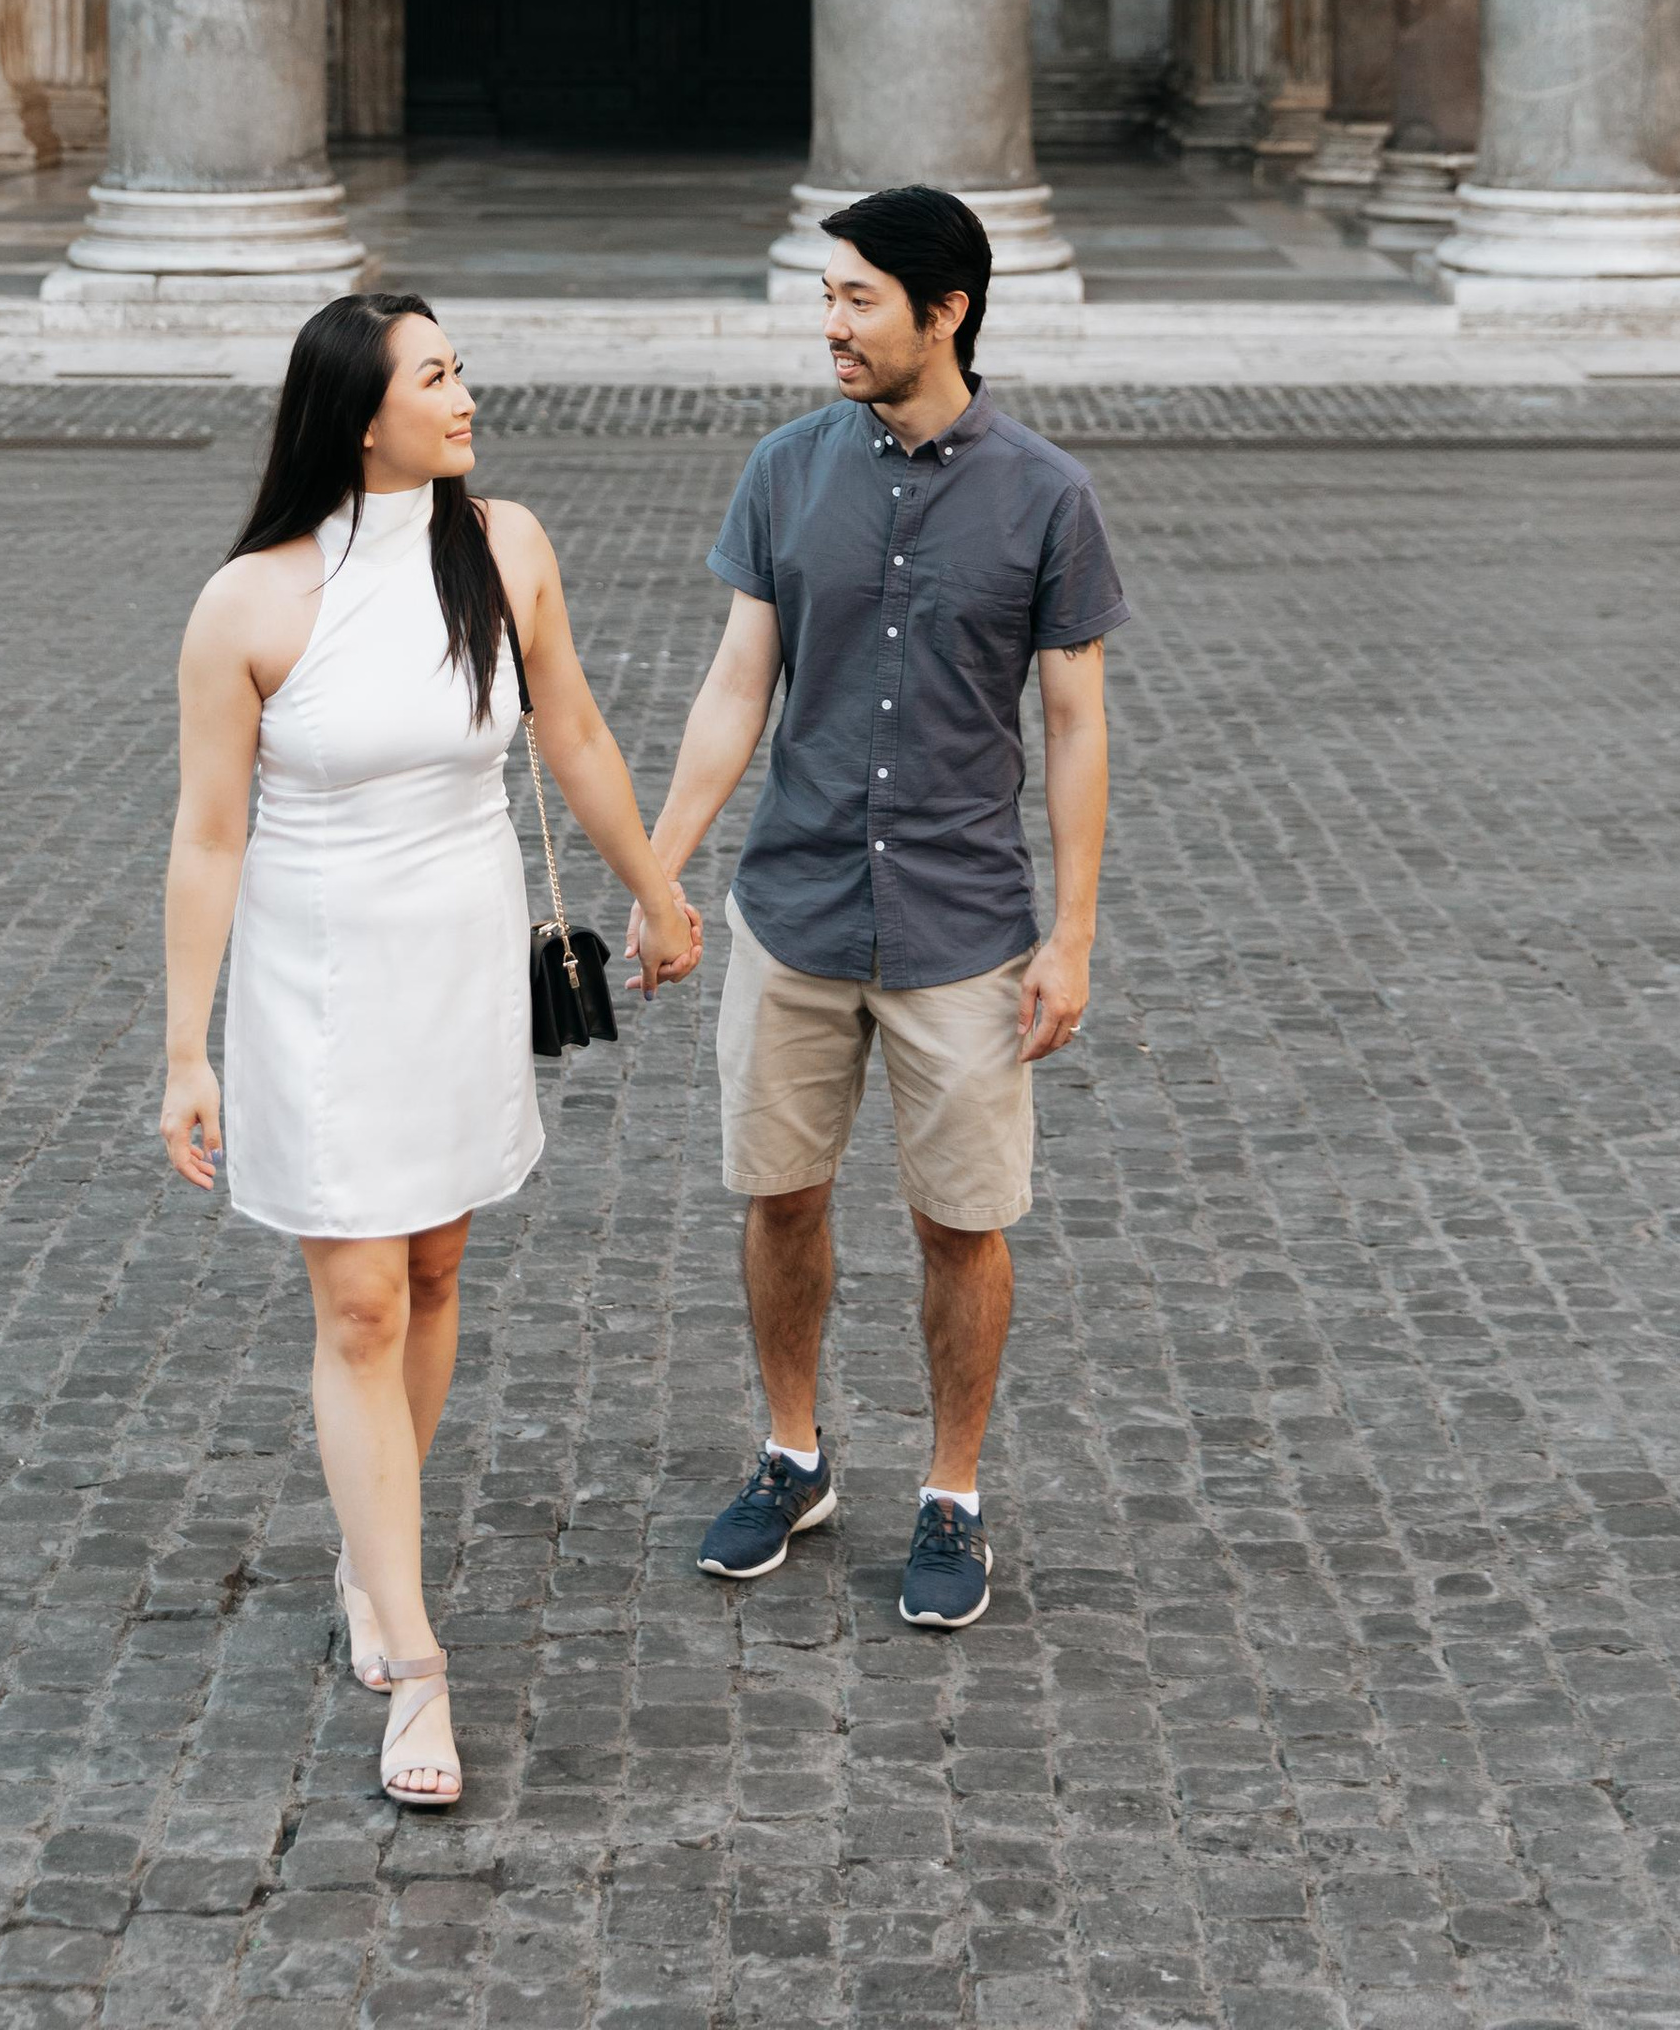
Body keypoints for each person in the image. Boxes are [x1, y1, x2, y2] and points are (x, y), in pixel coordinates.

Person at [159, 293, 699, 1808]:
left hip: (459, 961)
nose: (468, 396)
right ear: (359, 416)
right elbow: (208, 838)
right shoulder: (249, 603)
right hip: (318, 981)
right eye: (437, 378)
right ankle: (410, 1650)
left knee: (440, 1269)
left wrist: (655, 891)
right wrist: (184, 1049)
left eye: (462, 369)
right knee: (359, 1306)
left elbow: (574, 733)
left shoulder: (505, 546)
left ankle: (367, 1539)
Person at [633, 185, 1124, 1631]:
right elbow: (739, 686)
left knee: (960, 1225)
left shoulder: (1048, 497)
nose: (831, 324)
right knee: (778, 1197)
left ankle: (953, 1489)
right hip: (794, 908)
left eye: (856, 299)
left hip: (964, 927)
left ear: (946, 310)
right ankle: (795, 1453)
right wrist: (664, 866)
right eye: (827, 297)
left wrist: (1076, 932)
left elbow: (1079, 726)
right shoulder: (787, 470)